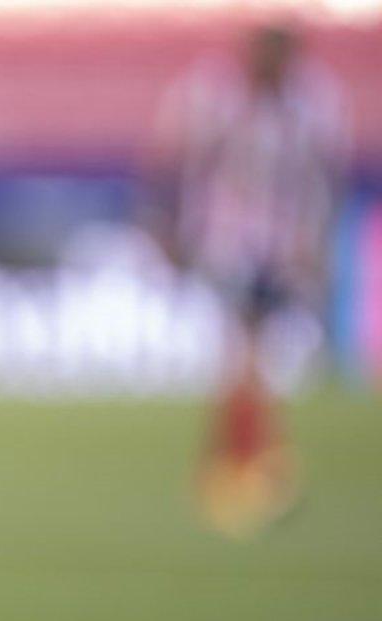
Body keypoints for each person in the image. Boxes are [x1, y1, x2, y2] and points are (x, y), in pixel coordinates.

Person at [146, 23, 350, 537]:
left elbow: (329, 179)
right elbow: (173, 161)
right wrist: (169, 228)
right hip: (227, 241)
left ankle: (232, 466)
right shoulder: (214, 96)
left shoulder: (316, 104)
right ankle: (259, 468)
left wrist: (320, 245)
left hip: (284, 249)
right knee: (246, 349)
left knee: (249, 356)